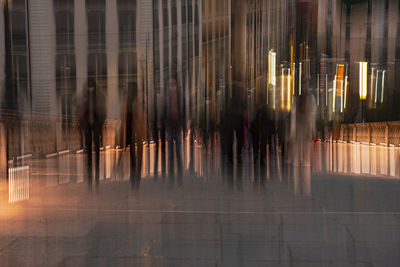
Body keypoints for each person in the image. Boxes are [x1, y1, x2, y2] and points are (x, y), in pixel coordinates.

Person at [78, 78, 106, 189]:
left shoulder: (99, 96)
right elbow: (79, 109)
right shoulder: (84, 96)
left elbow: (103, 111)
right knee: (89, 148)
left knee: (96, 148)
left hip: (95, 125)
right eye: (89, 86)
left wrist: (100, 124)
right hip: (88, 126)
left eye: (92, 86)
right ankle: (90, 173)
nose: (90, 88)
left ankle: (96, 172)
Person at [122, 81, 145, 189]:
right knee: (132, 155)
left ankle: (137, 178)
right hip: (130, 129)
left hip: (137, 129)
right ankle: (133, 178)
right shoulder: (127, 100)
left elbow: (142, 115)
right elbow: (124, 115)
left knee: (139, 155)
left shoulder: (138, 99)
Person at [167, 78, 183, 184]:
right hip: (169, 123)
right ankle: (171, 175)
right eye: (170, 84)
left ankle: (179, 175)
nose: (172, 86)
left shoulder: (179, 97)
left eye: (173, 84)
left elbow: (182, 109)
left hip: (177, 124)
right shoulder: (167, 97)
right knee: (170, 151)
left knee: (177, 148)